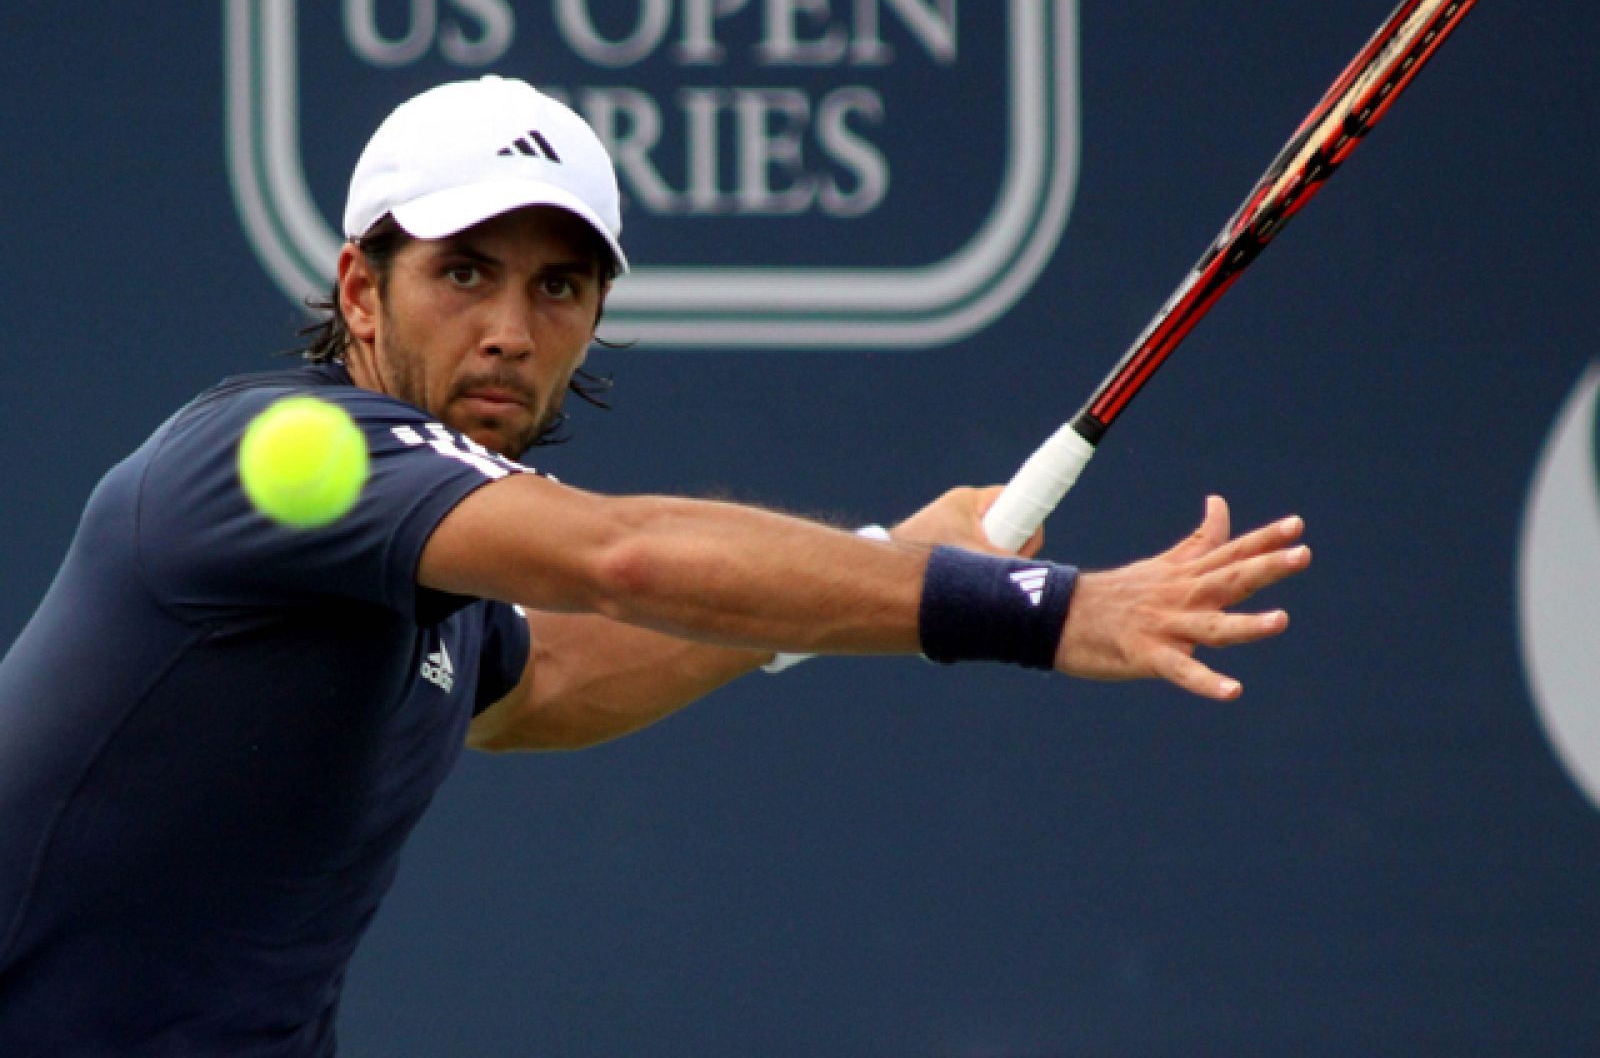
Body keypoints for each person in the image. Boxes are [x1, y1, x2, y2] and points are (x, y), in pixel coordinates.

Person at [0, 75, 1310, 1055]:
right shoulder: (263, 464)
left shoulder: (426, 570)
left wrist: (884, 558)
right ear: (359, 290)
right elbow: (623, 560)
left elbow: (550, 680)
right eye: (464, 273)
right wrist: (1031, 609)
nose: (511, 331)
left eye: (559, 288)